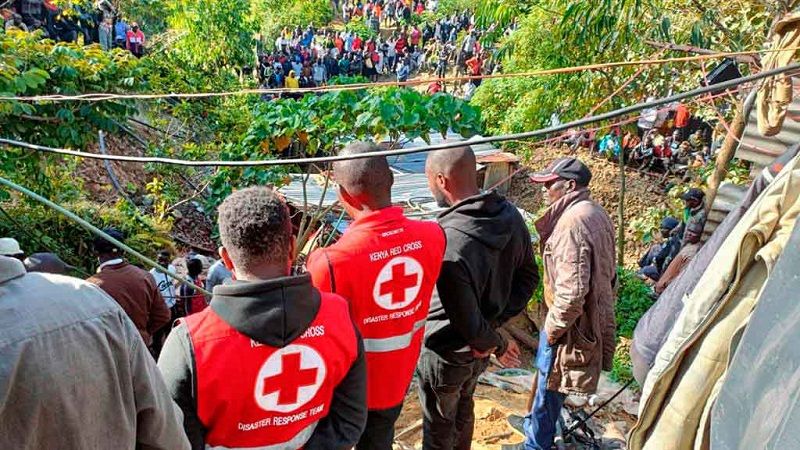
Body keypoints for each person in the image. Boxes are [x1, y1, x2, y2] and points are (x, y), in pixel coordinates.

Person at [158, 186, 367, 450]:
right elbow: (349, 421)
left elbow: (173, 440)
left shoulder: (188, 343)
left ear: (226, 259)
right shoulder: (339, 316)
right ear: (292, 247)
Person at [306, 142, 446, 450]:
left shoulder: (329, 262)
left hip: (345, 393)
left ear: (343, 195)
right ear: (392, 180)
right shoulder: (433, 236)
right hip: (398, 381)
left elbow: (316, 334)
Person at [0, 255, 190, 450]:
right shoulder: (91, 295)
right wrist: (146, 334)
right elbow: (166, 432)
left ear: (97, 254)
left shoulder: (96, 285)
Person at [419, 145, 539, 450]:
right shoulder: (509, 215)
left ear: (442, 181)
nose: (430, 186)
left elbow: (466, 319)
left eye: (429, 179)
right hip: (478, 351)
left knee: (439, 427)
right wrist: (495, 324)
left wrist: (490, 337)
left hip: (447, 351)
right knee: (463, 409)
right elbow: (529, 277)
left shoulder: (447, 239)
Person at [522, 157, 617, 450]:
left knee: (549, 388)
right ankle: (537, 431)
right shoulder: (595, 213)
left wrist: (552, 330)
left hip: (568, 326)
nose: (544, 191)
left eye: (550, 185)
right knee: (550, 388)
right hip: (587, 319)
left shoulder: (571, 224)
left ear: (570, 186)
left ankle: (535, 444)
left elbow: (572, 294)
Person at [86, 228, 170, 351]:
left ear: (96, 253)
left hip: (109, 351)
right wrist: (142, 333)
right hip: (140, 348)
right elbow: (163, 315)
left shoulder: (91, 285)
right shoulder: (145, 276)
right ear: (123, 251)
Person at [654, 220, 703, 295]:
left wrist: (667, 286)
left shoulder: (692, 252)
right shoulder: (687, 244)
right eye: (689, 231)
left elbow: (681, 275)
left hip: (665, 290)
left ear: (699, 235)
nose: (689, 234)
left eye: (693, 232)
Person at [637, 217, 680, 282]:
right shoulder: (673, 238)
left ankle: (642, 270)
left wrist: (656, 262)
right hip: (663, 263)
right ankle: (642, 265)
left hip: (663, 272)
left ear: (670, 229)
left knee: (644, 270)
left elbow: (662, 258)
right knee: (654, 248)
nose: (660, 230)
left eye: (663, 228)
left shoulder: (674, 241)